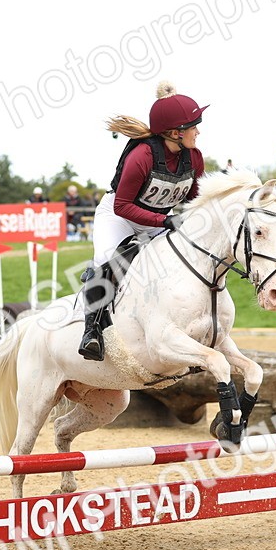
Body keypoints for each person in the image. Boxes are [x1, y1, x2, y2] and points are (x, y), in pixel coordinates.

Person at [78, 81, 207, 361]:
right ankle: (92, 332)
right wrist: (164, 221)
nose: (198, 131)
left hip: (158, 220)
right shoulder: (142, 155)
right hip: (118, 216)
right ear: (176, 132)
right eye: (194, 126)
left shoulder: (194, 158)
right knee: (105, 260)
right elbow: (123, 206)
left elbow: (195, 198)